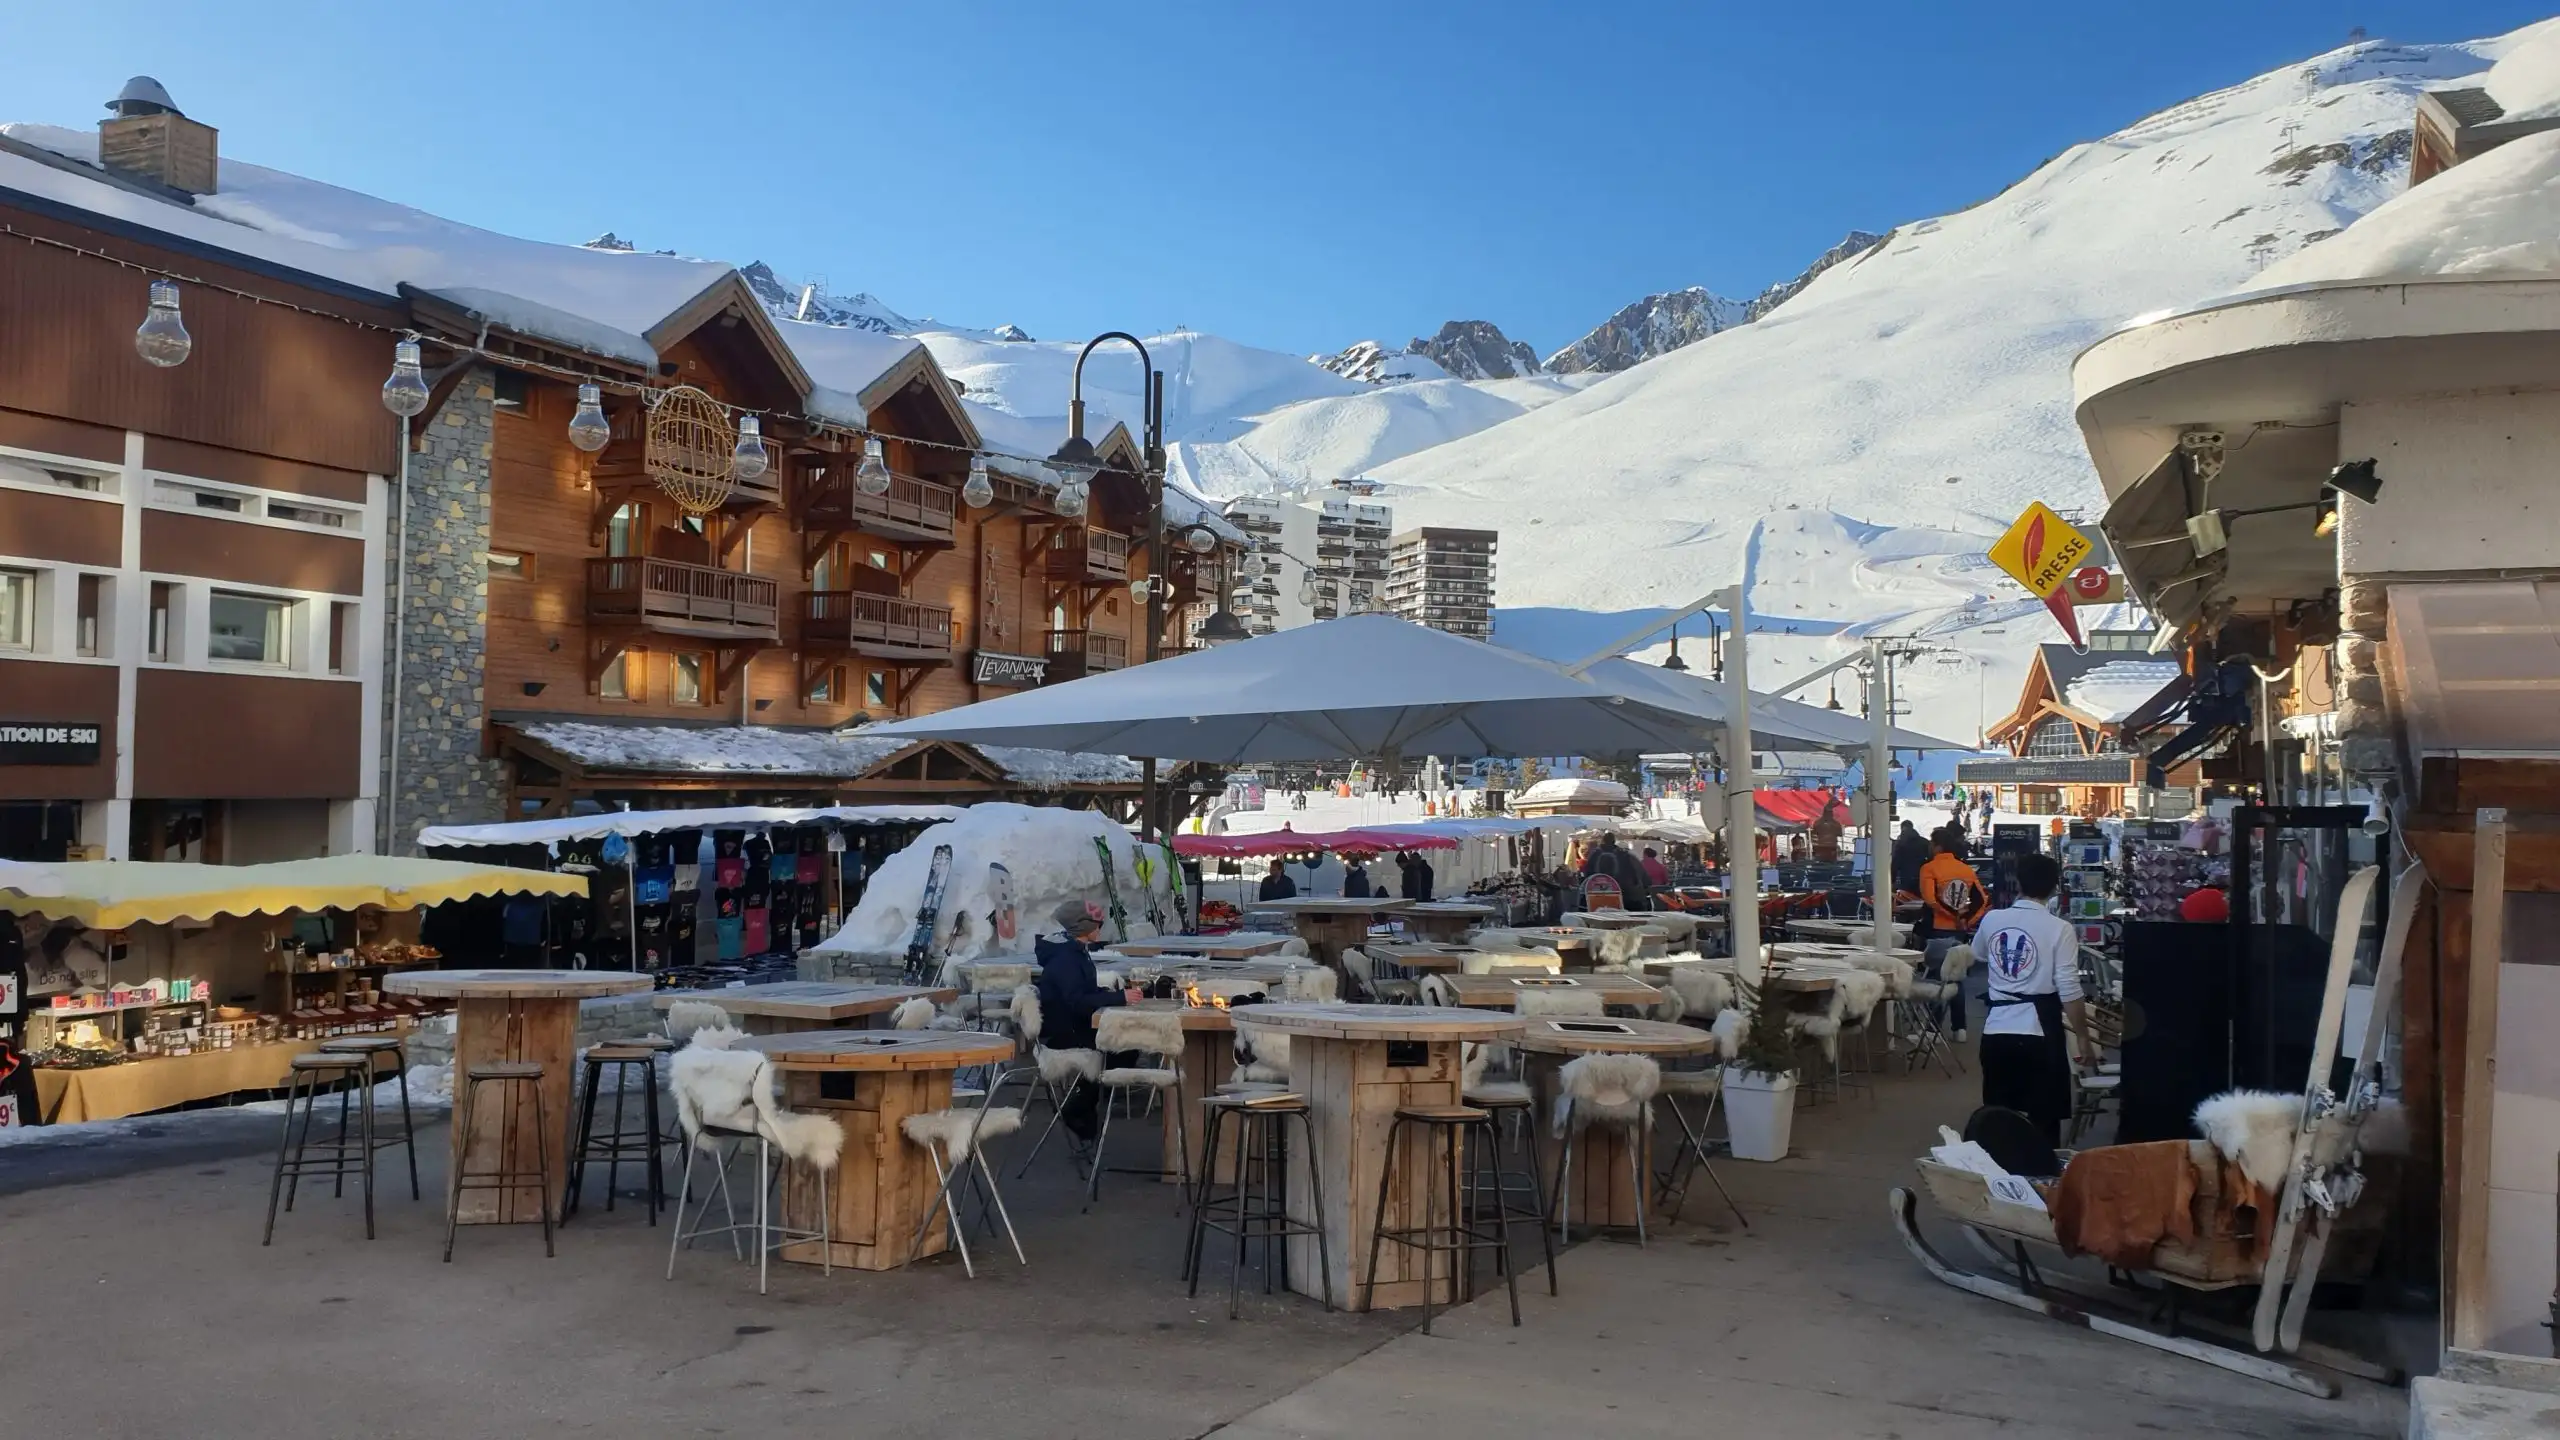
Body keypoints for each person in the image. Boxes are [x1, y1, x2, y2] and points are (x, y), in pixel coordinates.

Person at [1974, 853, 2094, 1145]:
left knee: (1999, 1117)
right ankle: (2042, 1184)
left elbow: (1978, 953)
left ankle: (2000, 1181)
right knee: (2044, 1121)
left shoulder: (1993, 919)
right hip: (2040, 1033)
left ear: (2018, 883)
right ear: (2055, 887)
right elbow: (2068, 988)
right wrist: (2083, 1037)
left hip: (1996, 1029)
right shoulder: (2060, 929)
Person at [1035, 900, 1144, 1141]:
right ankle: (1081, 1103)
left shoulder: (1075, 952)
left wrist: (1117, 997)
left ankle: (1084, 1099)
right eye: (1098, 924)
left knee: (1127, 1046)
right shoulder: (1066, 959)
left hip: (1074, 1024)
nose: (1101, 928)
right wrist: (1118, 997)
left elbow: (1085, 993)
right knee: (1124, 1046)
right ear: (1082, 927)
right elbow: (1076, 1000)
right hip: (1065, 1031)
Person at [1917, 827, 1989, 1039]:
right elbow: (1981, 900)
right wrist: (1966, 920)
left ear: (1938, 846)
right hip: (1959, 933)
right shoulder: (1965, 869)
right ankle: (1960, 1028)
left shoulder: (1929, 868)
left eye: (1932, 843)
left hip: (1938, 930)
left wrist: (1951, 915)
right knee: (1956, 977)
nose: (1930, 847)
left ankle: (1932, 1029)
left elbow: (1931, 900)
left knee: (1938, 979)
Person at [1580, 832, 1651, 910]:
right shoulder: (1625, 855)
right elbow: (1642, 879)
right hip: (1626, 896)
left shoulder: (1594, 856)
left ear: (1602, 841)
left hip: (1597, 896)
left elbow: (1587, 875)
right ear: (1614, 841)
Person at [1891, 819, 1931, 898]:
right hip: (1922, 876)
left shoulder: (1900, 843)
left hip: (1906, 877)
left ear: (1902, 828)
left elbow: (1895, 862)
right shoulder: (1924, 841)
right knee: (1920, 899)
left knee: (1906, 901)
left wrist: (1892, 880)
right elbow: (1931, 858)